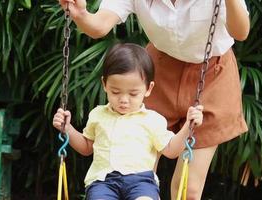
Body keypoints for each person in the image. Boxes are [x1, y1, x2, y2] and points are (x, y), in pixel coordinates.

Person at [58, 0, 250, 199]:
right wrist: (80, 14)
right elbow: (100, 25)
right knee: (136, 173)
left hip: (211, 74)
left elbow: (241, 32)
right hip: (159, 72)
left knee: (189, 190)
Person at [52, 43, 204, 200]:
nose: (124, 100)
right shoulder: (97, 115)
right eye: (115, 92)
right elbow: (86, 147)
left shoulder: (153, 120)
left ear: (148, 89)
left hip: (141, 181)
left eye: (133, 94)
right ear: (104, 84)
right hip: (103, 181)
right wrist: (68, 129)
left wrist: (188, 127)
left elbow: (171, 150)